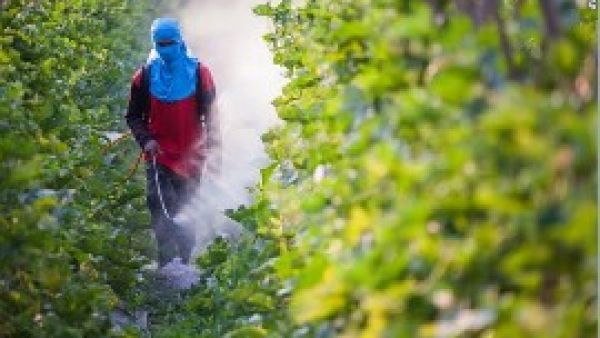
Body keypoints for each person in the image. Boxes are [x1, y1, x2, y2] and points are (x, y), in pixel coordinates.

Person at [125, 17, 220, 267]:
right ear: (154, 44)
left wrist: (215, 154)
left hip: (192, 156)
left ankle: (186, 263)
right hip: (158, 155)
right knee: (159, 204)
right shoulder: (143, 77)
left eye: (170, 43)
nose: (165, 49)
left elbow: (211, 118)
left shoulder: (200, 73)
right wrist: (146, 140)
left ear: (180, 42)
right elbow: (133, 116)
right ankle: (165, 263)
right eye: (160, 44)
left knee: (186, 209)